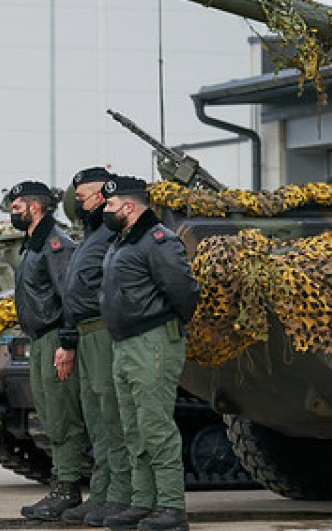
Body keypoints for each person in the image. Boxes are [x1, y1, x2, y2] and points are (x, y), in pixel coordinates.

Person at [97, 175, 200, 531]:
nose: (104, 210)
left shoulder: (158, 242)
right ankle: (143, 501)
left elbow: (184, 291)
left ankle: (172, 506)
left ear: (128, 207)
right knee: (133, 428)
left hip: (152, 341)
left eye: (109, 205)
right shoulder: (121, 241)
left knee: (155, 426)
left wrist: (164, 323)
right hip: (124, 343)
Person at [8, 179, 85, 520]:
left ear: (34, 207)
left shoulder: (56, 245)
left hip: (55, 338)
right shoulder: (34, 246)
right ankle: (59, 485)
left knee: (61, 414)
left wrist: (67, 342)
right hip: (39, 340)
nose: (13, 213)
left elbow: (69, 295)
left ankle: (66, 489)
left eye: (16, 207)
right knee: (49, 414)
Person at [60, 167, 131, 527]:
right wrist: (68, 339)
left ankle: (119, 494)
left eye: (84, 197)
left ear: (103, 196)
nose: (78, 203)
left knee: (111, 415)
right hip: (85, 334)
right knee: (94, 416)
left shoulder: (111, 233)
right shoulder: (91, 234)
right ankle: (101, 493)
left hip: (103, 332)